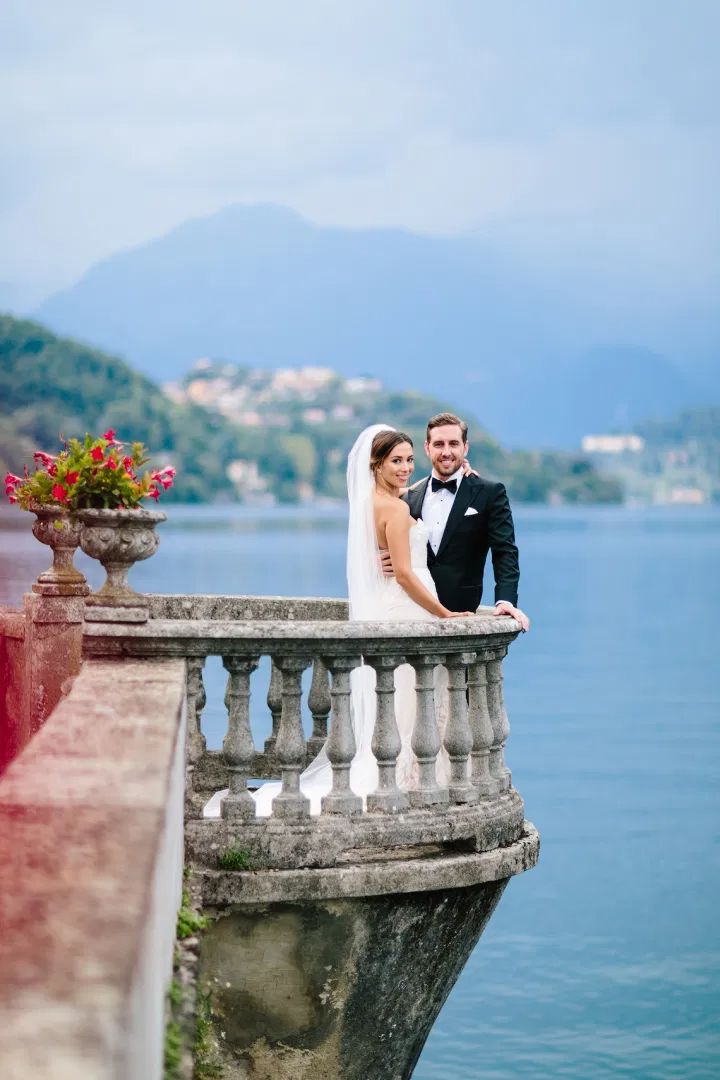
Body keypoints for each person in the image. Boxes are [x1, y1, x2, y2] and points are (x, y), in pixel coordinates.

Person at [204, 423, 475, 820]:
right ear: (376, 464)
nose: (404, 468)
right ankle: (408, 780)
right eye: (396, 461)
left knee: (402, 700)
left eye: (409, 461)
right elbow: (403, 573)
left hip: (388, 609)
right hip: (407, 609)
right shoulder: (397, 509)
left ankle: (404, 775)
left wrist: (447, 477)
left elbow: (398, 514)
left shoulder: (372, 502)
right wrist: (444, 614)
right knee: (409, 700)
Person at [382, 412, 530, 632]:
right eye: (439, 444)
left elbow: (504, 551)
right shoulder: (406, 499)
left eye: (453, 444)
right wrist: (380, 561)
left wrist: (505, 600)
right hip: (409, 613)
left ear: (465, 448)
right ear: (427, 447)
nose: (446, 452)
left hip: (461, 615)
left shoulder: (490, 493)